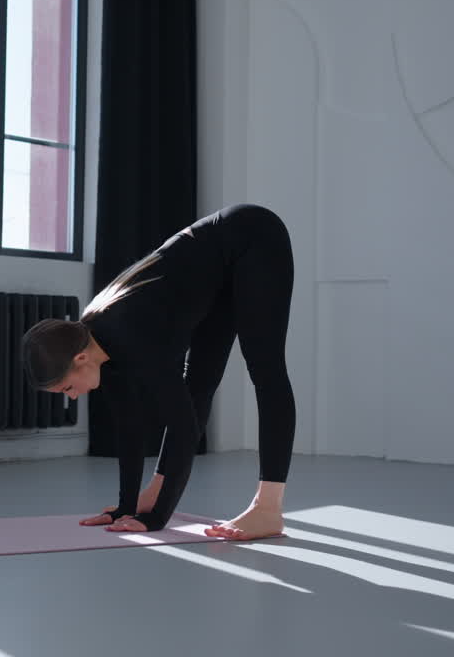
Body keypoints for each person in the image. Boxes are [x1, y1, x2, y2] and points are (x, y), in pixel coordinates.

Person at [22, 203, 296, 539]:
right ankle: (153, 491)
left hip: (253, 238)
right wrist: (127, 507)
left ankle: (268, 508)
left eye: (67, 389)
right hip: (215, 273)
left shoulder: (134, 333)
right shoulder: (95, 344)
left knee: (265, 369)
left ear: (79, 359)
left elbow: (183, 428)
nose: (74, 395)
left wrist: (157, 519)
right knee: (198, 384)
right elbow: (129, 428)